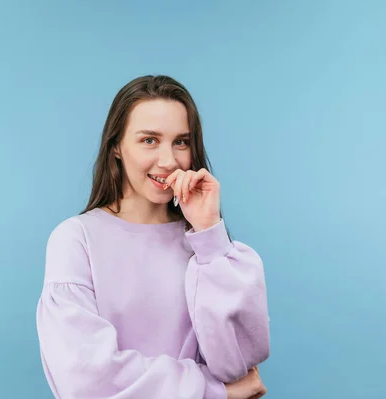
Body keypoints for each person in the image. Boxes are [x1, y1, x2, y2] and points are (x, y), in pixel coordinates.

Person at [35, 75, 271, 398]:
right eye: (149, 140)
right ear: (116, 146)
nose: (168, 161)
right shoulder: (76, 240)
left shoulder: (205, 245)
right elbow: (87, 381)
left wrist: (209, 233)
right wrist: (211, 390)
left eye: (181, 142)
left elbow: (240, 366)